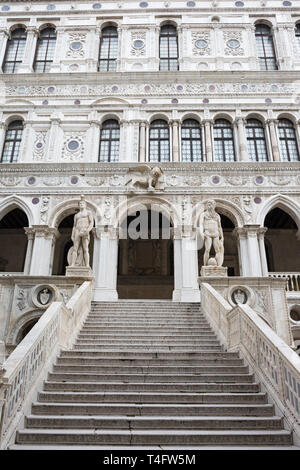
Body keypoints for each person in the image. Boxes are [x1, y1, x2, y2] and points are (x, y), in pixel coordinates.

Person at [70, 196, 94, 267]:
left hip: (84, 230)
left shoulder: (88, 213)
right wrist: (72, 235)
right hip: (77, 230)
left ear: (85, 205)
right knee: (75, 248)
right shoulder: (76, 215)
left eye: (82, 203)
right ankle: (72, 264)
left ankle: (87, 265)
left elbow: (91, 222)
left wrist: (88, 230)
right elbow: (74, 226)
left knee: (85, 248)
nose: (81, 205)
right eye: (80, 204)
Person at [199, 199, 224, 266]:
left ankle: (219, 266)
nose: (210, 206)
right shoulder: (203, 214)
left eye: (211, 204)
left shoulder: (217, 215)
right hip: (207, 233)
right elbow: (201, 224)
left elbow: (219, 226)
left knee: (217, 250)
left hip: (216, 233)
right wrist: (201, 232)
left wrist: (222, 236)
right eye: (208, 204)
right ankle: (205, 265)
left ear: (214, 205)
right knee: (207, 249)